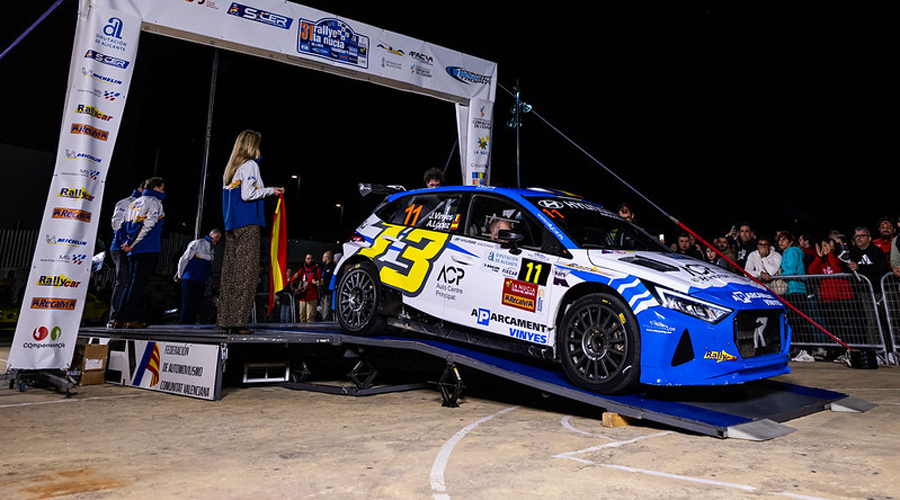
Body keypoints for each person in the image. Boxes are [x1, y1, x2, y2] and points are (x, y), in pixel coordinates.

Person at [217, 130, 284, 335]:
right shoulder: (250, 165)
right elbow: (248, 195)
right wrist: (271, 190)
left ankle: (225, 319)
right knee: (246, 273)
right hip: (247, 223)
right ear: (252, 146)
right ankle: (238, 322)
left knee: (230, 273)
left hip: (231, 224)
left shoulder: (230, 169)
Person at [116, 177, 166, 329]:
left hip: (133, 250)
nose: (164, 191)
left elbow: (122, 225)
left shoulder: (133, 203)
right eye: (162, 188)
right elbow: (149, 225)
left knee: (130, 284)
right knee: (138, 286)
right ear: (156, 188)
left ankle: (120, 318)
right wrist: (131, 244)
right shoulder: (154, 202)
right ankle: (130, 319)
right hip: (146, 248)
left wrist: (125, 242)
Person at [107, 180, 145, 328]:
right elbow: (116, 223)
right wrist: (126, 242)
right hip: (120, 247)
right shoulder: (125, 202)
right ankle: (113, 318)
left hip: (133, 249)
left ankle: (126, 317)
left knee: (132, 283)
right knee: (123, 281)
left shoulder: (145, 203)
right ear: (140, 189)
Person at [174, 228, 222, 324]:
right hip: (189, 279)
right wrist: (179, 274)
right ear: (210, 235)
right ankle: (182, 325)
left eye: (219, 238)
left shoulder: (212, 250)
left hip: (200, 281)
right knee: (187, 304)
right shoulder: (198, 243)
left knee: (195, 306)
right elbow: (184, 259)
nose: (217, 240)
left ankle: (190, 326)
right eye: (216, 237)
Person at [292, 252, 323, 323]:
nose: (310, 260)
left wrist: (315, 282)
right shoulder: (302, 270)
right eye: (308, 259)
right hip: (303, 297)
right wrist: (294, 277)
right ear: (305, 259)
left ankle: (310, 333)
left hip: (312, 297)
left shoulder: (317, 270)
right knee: (302, 317)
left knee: (310, 318)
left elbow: (320, 281)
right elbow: (293, 281)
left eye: (311, 259)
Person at [777, 231, 807, 296]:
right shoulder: (786, 253)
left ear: (790, 242)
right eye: (779, 240)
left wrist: (778, 277)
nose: (781, 242)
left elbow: (791, 270)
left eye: (784, 239)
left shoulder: (792, 252)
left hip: (795, 288)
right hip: (791, 287)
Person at [319, 251, 336, 321]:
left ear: (327, 258)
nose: (322, 259)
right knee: (323, 313)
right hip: (323, 294)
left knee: (326, 314)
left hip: (329, 294)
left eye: (323, 258)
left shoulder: (333, 267)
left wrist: (323, 283)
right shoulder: (324, 267)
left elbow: (331, 280)